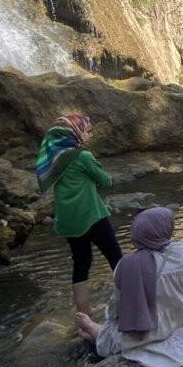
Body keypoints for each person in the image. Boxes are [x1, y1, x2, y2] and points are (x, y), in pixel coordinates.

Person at [74, 207, 183, 367]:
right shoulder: (182, 253)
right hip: (182, 317)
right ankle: (94, 331)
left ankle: (93, 330)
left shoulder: (125, 265)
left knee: (112, 333)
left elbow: (117, 309)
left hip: (144, 333)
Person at [36, 114, 122, 317]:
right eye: (87, 130)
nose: (90, 134)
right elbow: (106, 180)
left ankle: (84, 313)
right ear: (74, 133)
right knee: (116, 258)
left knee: (81, 264)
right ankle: (130, 302)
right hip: (91, 215)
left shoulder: (55, 159)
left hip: (68, 221)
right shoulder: (82, 156)